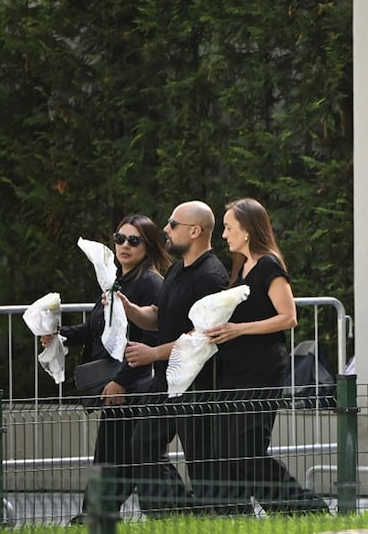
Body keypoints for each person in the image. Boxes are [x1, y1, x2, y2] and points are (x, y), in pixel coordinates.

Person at [203, 198, 330, 514]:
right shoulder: (242, 267)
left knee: (246, 448)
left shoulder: (268, 265)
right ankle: (245, 511)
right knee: (231, 448)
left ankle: (303, 508)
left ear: (246, 230)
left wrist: (238, 329)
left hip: (261, 370)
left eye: (229, 227)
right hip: (236, 370)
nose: (224, 235)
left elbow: (289, 317)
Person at [43, 214, 173, 521]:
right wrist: (59, 336)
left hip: (134, 385)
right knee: (121, 456)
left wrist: (122, 382)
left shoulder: (150, 284)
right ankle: (101, 514)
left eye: (134, 240)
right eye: (120, 239)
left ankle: (99, 514)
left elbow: (148, 339)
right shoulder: (114, 281)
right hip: (117, 385)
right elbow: (95, 328)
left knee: (127, 456)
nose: (124, 246)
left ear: (149, 245)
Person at [119, 201, 229, 515]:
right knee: (143, 445)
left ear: (195, 231)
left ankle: (213, 515)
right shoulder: (178, 268)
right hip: (166, 378)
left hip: (197, 382)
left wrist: (154, 352)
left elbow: (201, 338)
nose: (165, 229)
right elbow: (158, 315)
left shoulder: (211, 276)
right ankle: (169, 513)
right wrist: (130, 309)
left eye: (172, 224)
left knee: (201, 459)